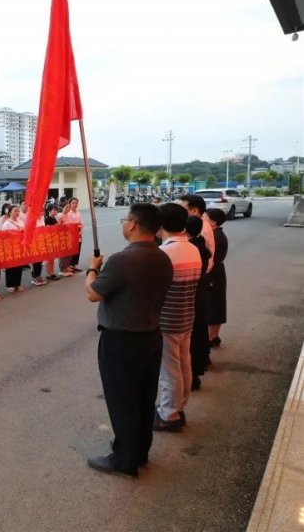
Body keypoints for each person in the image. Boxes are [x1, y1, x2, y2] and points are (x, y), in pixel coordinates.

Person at [84, 203, 173, 477]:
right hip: (150, 336)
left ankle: (124, 459)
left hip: (121, 340)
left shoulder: (123, 260)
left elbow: (93, 293)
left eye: (125, 219)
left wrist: (92, 268)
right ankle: (139, 450)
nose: (123, 224)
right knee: (144, 398)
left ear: (133, 224)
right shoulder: (162, 257)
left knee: (122, 399)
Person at [153, 203, 202, 432]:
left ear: (160, 224)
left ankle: (168, 414)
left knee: (169, 370)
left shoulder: (165, 254)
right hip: (186, 316)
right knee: (183, 363)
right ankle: (179, 406)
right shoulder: (192, 249)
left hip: (167, 321)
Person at [186, 215, 212, 391]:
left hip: (192, 297)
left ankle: (192, 375)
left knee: (191, 338)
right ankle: (197, 369)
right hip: (200, 294)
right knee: (198, 332)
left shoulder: (190, 249)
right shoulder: (200, 244)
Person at [204, 208, 228, 347]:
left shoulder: (215, 237)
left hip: (213, 273)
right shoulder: (216, 234)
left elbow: (210, 260)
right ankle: (213, 336)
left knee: (214, 306)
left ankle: (212, 337)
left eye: (204, 217)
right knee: (215, 305)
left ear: (213, 222)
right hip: (216, 272)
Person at [179, 194, 214, 274]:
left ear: (194, 211)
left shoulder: (201, 229)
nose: (179, 212)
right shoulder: (201, 223)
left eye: (182, 209)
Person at [1, 206, 26, 293]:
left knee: (19, 266)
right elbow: (3, 237)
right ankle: (9, 285)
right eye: (15, 211)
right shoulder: (7, 223)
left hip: (20, 247)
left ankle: (17, 284)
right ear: (10, 212)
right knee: (11, 266)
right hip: (10, 248)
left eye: (18, 211)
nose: (17, 213)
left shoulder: (21, 222)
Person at [43, 204, 61, 282]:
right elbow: (46, 231)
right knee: (49, 259)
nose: (55, 211)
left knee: (52, 258)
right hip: (48, 241)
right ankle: (49, 274)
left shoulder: (54, 218)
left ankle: (52, 272)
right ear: (49, 210)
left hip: (54, 240)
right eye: (54, 210)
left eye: (56, 210)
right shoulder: (47, 219)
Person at [57, 202, 75, 277]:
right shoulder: (60, 216)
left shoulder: (68, 215)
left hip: (69, 237)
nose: (68, 209)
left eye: (69, 207)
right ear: (62, 207)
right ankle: (62, 269)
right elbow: (57, 227)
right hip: (62, 237)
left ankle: (67, 267)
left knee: (69, 253)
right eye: (66, 207)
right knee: (63, 254)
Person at [66, 198, 84, 273]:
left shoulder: (78, 213)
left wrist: (80, 232)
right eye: (73, 203)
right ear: (70, 204)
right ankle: (70, 265)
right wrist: (75, 232)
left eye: (76, 203)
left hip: (79, 233)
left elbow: (81, 223)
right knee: (72, 249)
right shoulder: (68, 213)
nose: (75, 204)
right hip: (72, 233)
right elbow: (70, 224)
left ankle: (74, 265)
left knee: (78, 249)